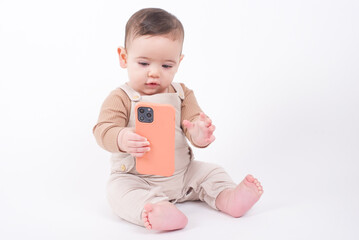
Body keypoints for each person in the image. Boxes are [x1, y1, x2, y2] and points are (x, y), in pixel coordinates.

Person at [93, 8, 263, 231]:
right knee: (117, 192)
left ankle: (228, 197)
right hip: (136, 178)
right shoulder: (121, 98)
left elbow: (193, 122)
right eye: (144, 63)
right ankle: (158, 209)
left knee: (212, 172)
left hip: (183, 175)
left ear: (179, 62)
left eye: (166, 65)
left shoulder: (182, 94)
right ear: (124, 58)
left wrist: (200, 134)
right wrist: (121, 137)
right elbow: (102, 129)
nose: (154, 73)